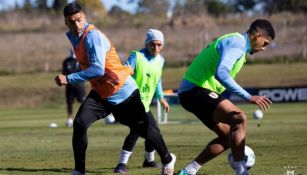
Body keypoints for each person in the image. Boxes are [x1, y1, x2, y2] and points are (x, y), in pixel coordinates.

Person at [54, 2, 176, 175]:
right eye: (72, 22)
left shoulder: (92, 36)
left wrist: (69, 78)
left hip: (122, 91)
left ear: (85, 18)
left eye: (79, 20)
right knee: (80, 123)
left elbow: (98, 69)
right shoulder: (75, 38)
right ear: (66, 22)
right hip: (101, 93)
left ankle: (168, 159)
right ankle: (79, 170)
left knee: (145, 130)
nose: (76, 25)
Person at [176, 19, 275, 175]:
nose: (263, 49)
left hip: (192, 93)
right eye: (265, 43)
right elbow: (221, 73)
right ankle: (241, 171)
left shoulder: (239, 47)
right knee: (239, 118)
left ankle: (188, 171)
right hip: (195, 90)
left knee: (229, 137)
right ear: (258, 35)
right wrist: (249, 97)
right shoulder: (237, 43)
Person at [114, 29, 170, 174]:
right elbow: (124, 73)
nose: (156, 48)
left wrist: (162, 98)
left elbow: (157, 81)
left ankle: (148, 160)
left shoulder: (161, 60)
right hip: (131, 103)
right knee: (137, 132)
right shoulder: (136, 56)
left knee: (153, 131)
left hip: (144, 105)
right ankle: (121, 165)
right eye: (152, 44)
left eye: (159, 45)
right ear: (146, 44)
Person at [62, 48, 86, 127]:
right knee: (69, 103)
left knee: (83, 102)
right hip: (69, 86)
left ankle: (84, 118)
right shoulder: (66, 61)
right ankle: (70, 119)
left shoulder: (81, 60)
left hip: (79, 86)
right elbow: (64, 73)